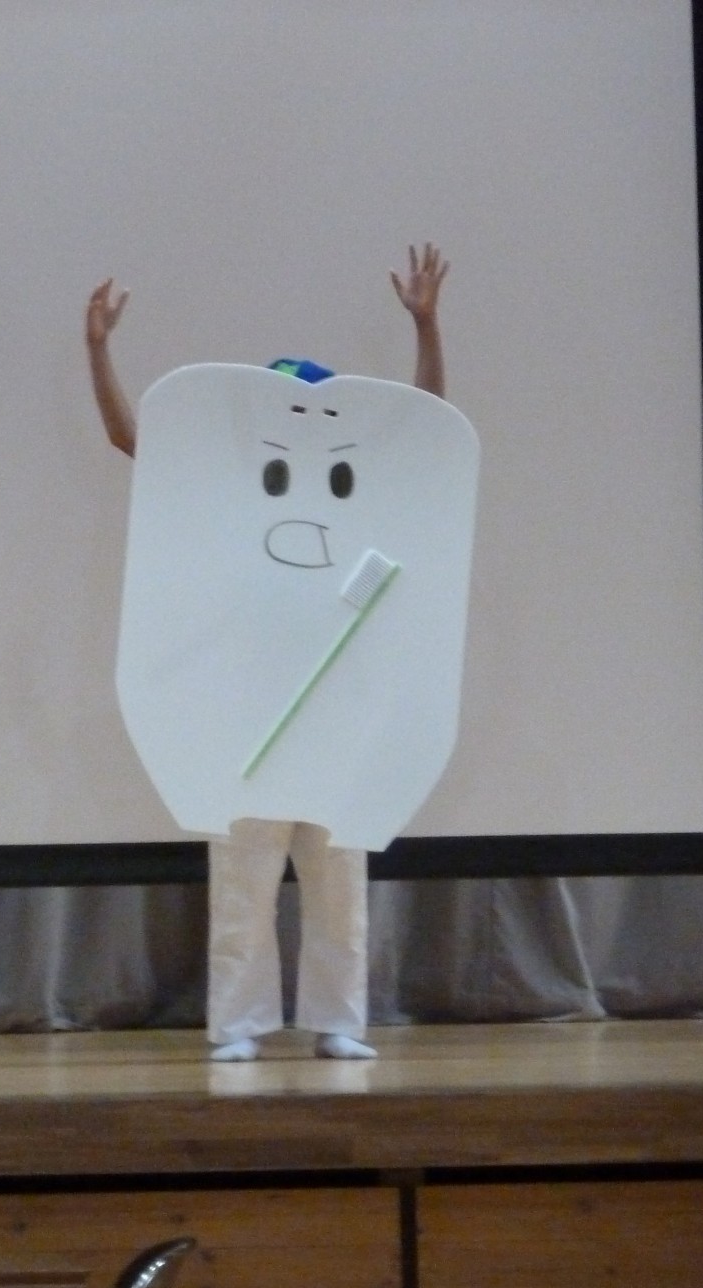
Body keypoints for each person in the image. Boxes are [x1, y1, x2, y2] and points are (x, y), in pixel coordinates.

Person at [85, 244, 448, 1062]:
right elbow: (128, 437)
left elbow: (428, 426)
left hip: (338, 705)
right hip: (247, 713)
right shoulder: (233, 491)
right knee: (243, 878)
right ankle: (241, 1023)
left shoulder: (354, 489)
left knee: (338, 876)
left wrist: (427, 326)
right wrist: (99, 350)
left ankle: (338, 1019)